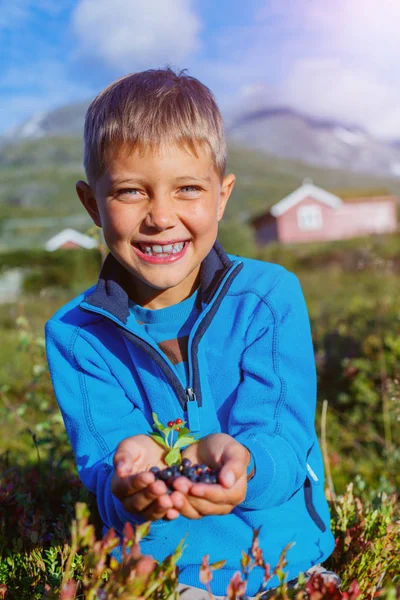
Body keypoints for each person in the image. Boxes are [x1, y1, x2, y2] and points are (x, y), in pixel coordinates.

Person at [45, 68, 338, 598]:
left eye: (187, 188)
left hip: (288, 560)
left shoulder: (268, 297)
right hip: (169, 571)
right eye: (131, 191)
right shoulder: (74, 334)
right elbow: (103, 466)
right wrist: (126, 483)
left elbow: (282, 436)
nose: (161, 216)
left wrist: (243, 464)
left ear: (222, 196)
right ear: (92, 205)